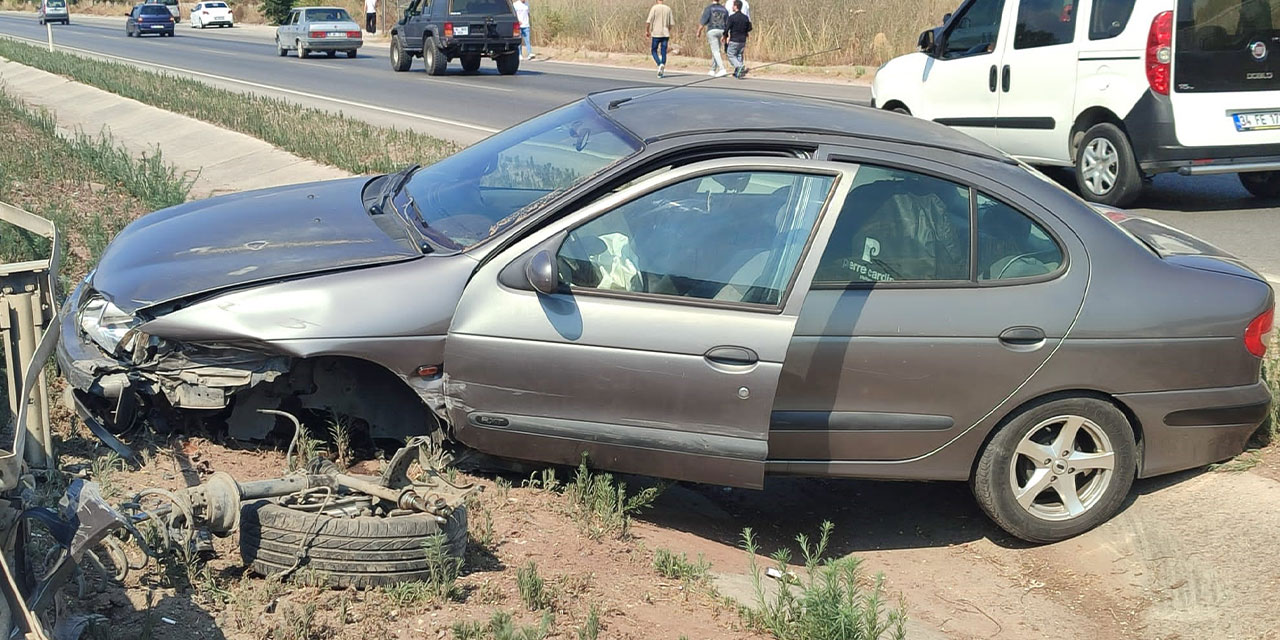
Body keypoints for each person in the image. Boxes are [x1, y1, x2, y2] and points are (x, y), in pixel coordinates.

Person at [697, 0, 729, 77]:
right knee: (716, 50)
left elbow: (703, 21)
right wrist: (727, 34)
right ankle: (712, 69)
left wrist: (699, 31)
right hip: (722, 30)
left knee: (715, 51)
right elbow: (727, 22)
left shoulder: (709, 8)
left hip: (712, 30)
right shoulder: (724, 9)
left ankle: (722, 69)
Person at [645, 0, 674, 78]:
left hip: (656, 33)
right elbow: (671, 23)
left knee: (654, 50)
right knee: (663, 51)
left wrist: (647, 31)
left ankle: (659, 63)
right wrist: (668, 30)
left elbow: (648, 21)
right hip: (665, 33)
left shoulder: (654, 8)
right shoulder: (668, 9)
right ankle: (662, 67)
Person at [725, 0, 751, 78]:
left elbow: (727, 28)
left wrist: (725, 36)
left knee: (730, 54)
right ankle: (738, 72)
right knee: (739, 54)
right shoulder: (745, 17)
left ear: (736, 7)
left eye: (733, 6)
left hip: (734, 39)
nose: (732, 7)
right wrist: (745, 31)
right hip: (743, 39)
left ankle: (740, 66)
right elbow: (749, 27)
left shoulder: (732, 17)